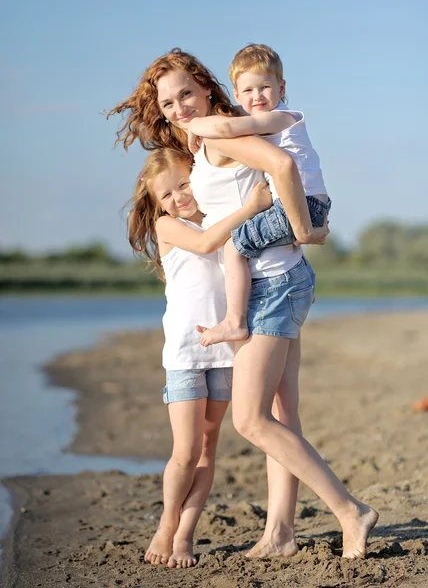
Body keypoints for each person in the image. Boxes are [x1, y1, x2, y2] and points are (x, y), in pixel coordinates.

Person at [109, 48, 378, 559]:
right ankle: (280, 533)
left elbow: (280, 166)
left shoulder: (220, 130)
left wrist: (303, 228)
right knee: (282, 412)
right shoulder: (207, 136)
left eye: (186, 94)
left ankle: (350, 511)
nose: (178, 107)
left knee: (252, 421)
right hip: (277, 279)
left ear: (207, 88)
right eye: (167, 103)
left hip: (274, 284)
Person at [126, 147, 272, 568]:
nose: (179, 197)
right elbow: (208, 242)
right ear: (157, 203)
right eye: (167, 193)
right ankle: (167, 526)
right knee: (186, 451)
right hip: (186, 354)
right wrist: (250, 207)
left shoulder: (218, 214)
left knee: (209, 450)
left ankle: (186, 536)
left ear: (196, 176)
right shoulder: (167, 226)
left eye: (183, 184)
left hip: (225, 351)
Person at [187, 43, 332, 346]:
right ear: (237, 96)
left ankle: (234, 322)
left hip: (298, 205)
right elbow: (232, 124)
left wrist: (193, 124)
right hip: (308, 203)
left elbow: (228, 128)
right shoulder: (266, 118)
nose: (258, 97)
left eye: (265, 87)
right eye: (249, 91)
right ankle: (303, 287)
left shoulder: (281, 117)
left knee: (235, 246)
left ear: (281, 87)